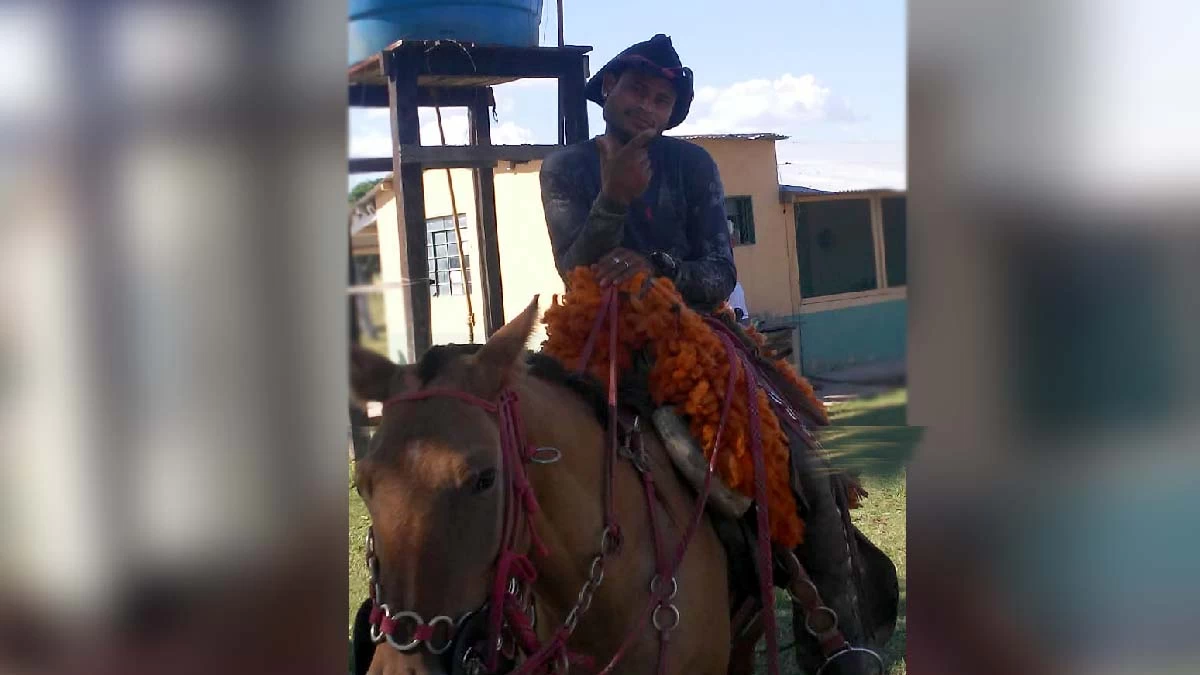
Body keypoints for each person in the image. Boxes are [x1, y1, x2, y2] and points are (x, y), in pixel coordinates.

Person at [539, 34, 736, 312]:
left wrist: (657, 268)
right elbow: (575, 277)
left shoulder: (692, 164)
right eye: (637, 90)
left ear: (670, 114)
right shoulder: (565, 167)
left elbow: (722, 274)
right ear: (609, 86)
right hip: (595, 334)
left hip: (689, 336)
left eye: (661, 100)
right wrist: (612, 201)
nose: (646, 106)